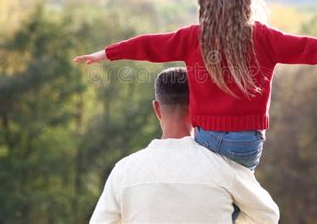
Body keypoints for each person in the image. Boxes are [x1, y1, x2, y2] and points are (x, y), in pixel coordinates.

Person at [74, 0, 317, 171]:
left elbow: (148, 45)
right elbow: (308, 47)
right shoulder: (265, 37)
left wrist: (105, 54)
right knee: (236, 194)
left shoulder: (193, 37)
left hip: (206, 139)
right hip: (247, 143)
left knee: (212, 191)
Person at [89, 67, 279, 224]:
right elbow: (267, 215)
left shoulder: (124, 171)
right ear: (198, 107)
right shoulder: (224, 167)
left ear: (157, 109)